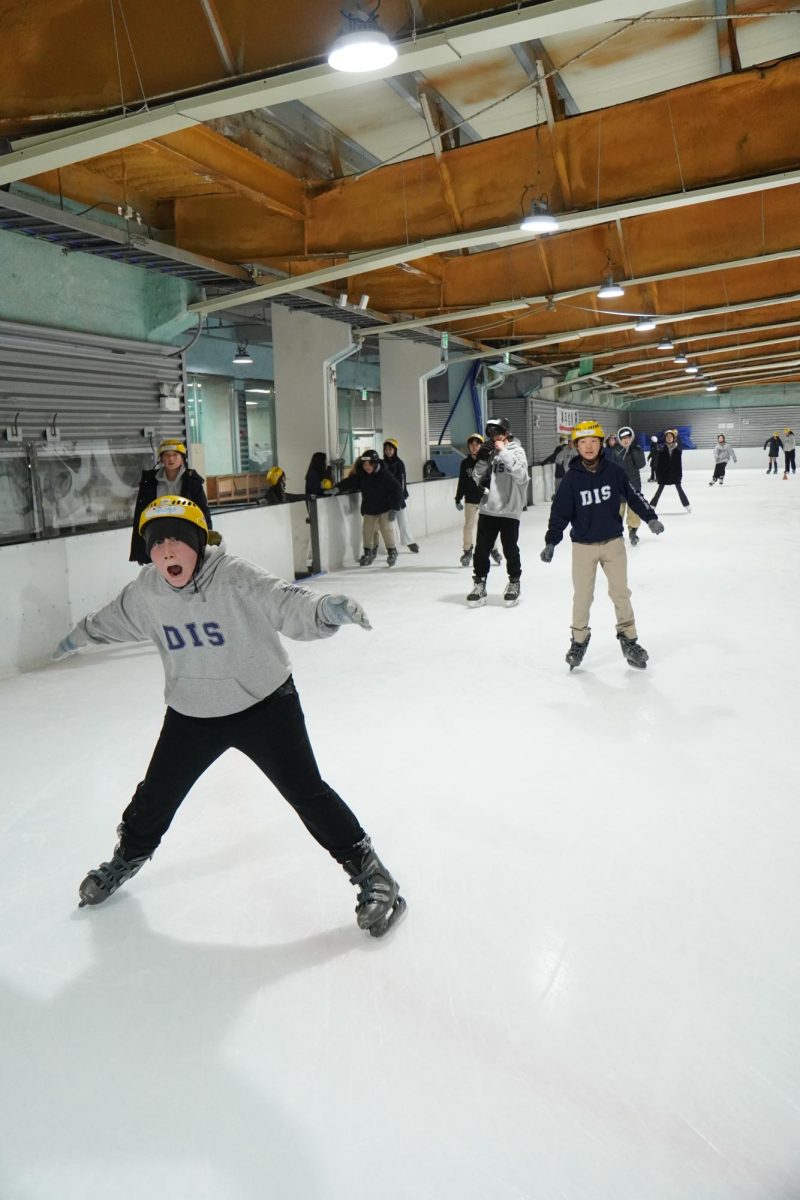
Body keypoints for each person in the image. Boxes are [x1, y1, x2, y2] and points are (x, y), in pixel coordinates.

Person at [52, 495, 405, 938]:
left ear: (198, 542)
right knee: (156, 794)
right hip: (192, 711)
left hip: (264, 703)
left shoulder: (235, 576)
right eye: (157, 545)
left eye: (177, 542)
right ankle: (126, 858)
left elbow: (284, 601)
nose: (166, 553)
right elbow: (115, 618)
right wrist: (80, 633)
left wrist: (324, 609)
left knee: (307, 793)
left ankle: (373, 873)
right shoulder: (148, 591)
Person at [539, 420, 664, 670]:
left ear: (601, 444)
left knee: (620, 593)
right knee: (582, 597)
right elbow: (559, 513)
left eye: (593, 442)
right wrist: (551, 541)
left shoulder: (614, 471)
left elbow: (633, 495)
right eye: (583, 442)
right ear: (576, 446)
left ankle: (629, 640)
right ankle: (578, 641)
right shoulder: (572, 479)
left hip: (613, 543)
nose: (588, 446)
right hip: (583, 547)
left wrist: (650, 517)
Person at [466, 416, 529, 608]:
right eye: (491, 433)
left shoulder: (517, 451)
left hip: (509, 511)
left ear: (506, 433)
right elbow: (476, 477)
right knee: (481, 550)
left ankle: (514, 582)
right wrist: (482, 460)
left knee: (510, 549)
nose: (494, 437)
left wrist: (503, 452)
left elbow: (521, 476)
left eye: (498, 433)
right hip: (488, 510)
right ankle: (479, 584)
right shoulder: (489, 452)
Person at [130, 437, 211, 565]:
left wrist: (208, 542)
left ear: (182, 458)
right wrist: (140, 548)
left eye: (175, 455)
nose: (171, 459)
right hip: (157, 536)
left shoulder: (192, 482)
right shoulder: (149, 481)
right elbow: (141, 514)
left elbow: (203, 512)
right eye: (167, 455)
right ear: (161, 458)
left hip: (185, 536)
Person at [334, 448, 404, 566]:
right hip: (370, 507)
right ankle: (368, 552)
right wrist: (337, 488)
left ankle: (392, 551)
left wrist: (395, 508)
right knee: (368, 530)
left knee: (386, 529)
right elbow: (351, 482)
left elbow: (397, 490)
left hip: (385, 507)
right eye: (364, 465)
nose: (366, 467)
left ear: (375, 463)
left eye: (369, 465)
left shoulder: (385, 474)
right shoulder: (362, 474)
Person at [382, 438, 420, 553]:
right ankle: (390, 545)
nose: (388, 451)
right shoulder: (382, 464)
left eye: (390, 449)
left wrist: (401, 496)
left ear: (395, 450)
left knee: (403, 521)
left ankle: (409, 542)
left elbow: (402, 481)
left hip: (398, 496)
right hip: (385, 497)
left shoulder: (399, 463)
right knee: (387, 523)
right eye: (386, 449)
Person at [455, 433, 486, 567]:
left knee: (487, 526)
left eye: (477, 444)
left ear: (481, 446)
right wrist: (458, 498)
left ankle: (493, 549)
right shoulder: (465, 463)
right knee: (468, 526)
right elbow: (462, 481)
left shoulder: (486, 461)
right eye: (471, 445)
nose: (474, 447)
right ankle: (467, 550)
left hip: (485, 499)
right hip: (470, 500)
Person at [617, 425, 647, 545]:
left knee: (634, 511)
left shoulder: (636, 449)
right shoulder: (616, 450)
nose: (626, 440)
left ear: (632, 438)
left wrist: (634, 451)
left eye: (628, 437)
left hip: (634, 486)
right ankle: (616, 534)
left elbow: (641, 464)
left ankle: (633, 532)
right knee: (617, 512)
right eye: (623, 437)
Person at [651, 429, 691, 513]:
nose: (669, 438)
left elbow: (679, 445)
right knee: (659, 490)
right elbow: (655, 451)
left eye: (671, 437)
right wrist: (654, 444)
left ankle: (687, 505)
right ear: (665, 438)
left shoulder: (678, 449)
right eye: (667, 437)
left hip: (675, 473)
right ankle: (652, 506)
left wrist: (677, 436)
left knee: (679, 489)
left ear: (674, 438)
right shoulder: (661, 448)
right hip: (664, 474)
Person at [538, 436, 574, 500]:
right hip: (568, 472)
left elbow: (553, 457)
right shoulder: (570, 449)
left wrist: (543, 462)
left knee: (559, 488)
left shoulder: (560, 448)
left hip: (560, 473)